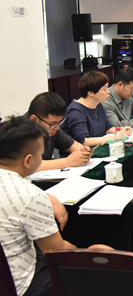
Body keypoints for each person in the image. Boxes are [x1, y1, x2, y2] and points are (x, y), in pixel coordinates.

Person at [0, 116, 112, 296]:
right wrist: (87, 253)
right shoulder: (29, 195)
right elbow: (57, 252)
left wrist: (47, 196)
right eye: (40, 155)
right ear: (28, 161)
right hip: (19, 284)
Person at [25, 92, 92, 172]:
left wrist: (82, 151)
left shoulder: (52, 128)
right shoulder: (19, 133)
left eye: (59, 122)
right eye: (53, 124)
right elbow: (30, 166)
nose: (57, 128)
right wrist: (67, 161)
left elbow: (72, 145)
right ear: (34, 119)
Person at [61, 71, 132, 146]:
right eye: (104, 89)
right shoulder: (76, 111)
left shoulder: (98, 105)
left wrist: (121, 130)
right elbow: (84, 141)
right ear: (91, 93)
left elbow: (108, 129)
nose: (108, 92)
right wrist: (114, 137)